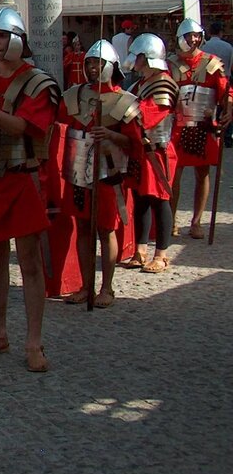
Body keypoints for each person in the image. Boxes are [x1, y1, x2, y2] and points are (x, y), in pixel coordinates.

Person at [0, 7, 60, 374]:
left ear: (18, 39)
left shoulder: (38, 83)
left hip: (24, 177)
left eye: (1, 36)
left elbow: (26, 128)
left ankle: (34, 342)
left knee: (31, 264)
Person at [55, 40, 139, 308]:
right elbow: (58, 127)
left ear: (111, 67)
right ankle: (85, 285)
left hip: (107, 173)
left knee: (105, 230)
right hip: (79, 171)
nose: (92, 68)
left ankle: (107, 288)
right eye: (89, 63)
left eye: (98, 63)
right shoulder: (74, 95)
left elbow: (136, 144)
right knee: (82, 228)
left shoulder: (124, 101)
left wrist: (112, 134)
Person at [119, 33, 179, 273]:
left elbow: (148, 116)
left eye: (139, 56)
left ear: (147, 57)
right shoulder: (141, 83)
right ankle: (140, 250)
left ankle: (162, 255)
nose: (136, 61)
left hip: (158, 151)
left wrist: (122, 107)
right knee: (141, 200)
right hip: (141, 151)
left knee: (160, 201)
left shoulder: (163, 83)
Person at [168, 18, 231, 239]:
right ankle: (172, 220)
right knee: (173, 175)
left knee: (202, 173)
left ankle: (196, 221)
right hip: (177, 127)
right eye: (188, 36)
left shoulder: (212, 63)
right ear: (180, 38)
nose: (193, 40)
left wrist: (228, 109)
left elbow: (225, 94)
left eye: (196, 35)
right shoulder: (171, 65)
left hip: (203, 126)